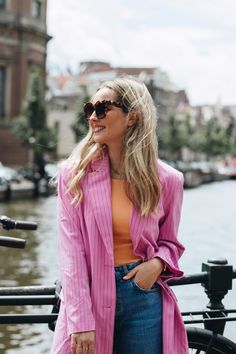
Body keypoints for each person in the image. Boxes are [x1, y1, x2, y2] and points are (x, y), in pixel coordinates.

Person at [51, 76, 188, 354]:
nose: (93, 117)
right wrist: (80, 320)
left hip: (143, 298)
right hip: (89, 294)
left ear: (132, 117)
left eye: (103, 109)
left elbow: (170, 243)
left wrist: (157, 265)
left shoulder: (168, 180)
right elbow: (71, 253)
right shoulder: (74, 176)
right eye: (90, 108)